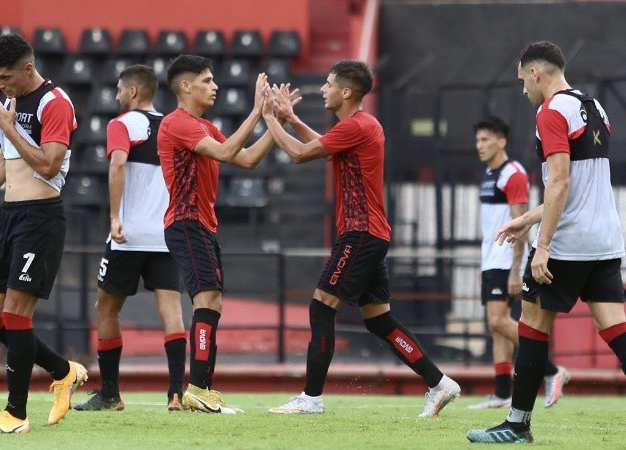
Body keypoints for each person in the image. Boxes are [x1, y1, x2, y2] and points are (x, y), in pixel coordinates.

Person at [262, 60, 460, 418]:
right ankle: (439, 383)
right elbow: (324, 146)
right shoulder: (359, 126)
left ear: (346, 91)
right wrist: (290, 119)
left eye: (328, 84)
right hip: (371, 234)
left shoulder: (357, 125)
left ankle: (311, 398)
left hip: (360, 233)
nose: (323, 90)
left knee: (322, 307)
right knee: (379, 320)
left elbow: (300, 153)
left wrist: (269, 118)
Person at [467, 41, 626, 444]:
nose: (523, 90)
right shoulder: (595, 107)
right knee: (616, 328)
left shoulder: (551, 111)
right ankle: (517, 422)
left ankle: (517, 424)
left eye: (523, 81)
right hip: (606, 240)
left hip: (568, 244)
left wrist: (544, 246)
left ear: (537, 73)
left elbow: (560, 182)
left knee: (532, 327)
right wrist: (527, 218)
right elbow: (579, 187)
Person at [0, 34, 86, 434]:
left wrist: (11, 129)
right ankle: (63, 370)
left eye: (5, 76)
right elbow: (5, 159)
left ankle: (16, 414)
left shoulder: (54, 102)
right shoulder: (8, 102)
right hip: (10, 216)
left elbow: (48, 164)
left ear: (28, 68)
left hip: (40, 219)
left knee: (15, 315)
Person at [158, 55, 276, 413]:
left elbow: (248, 159)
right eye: (207, 81)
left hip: (203, 225)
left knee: (211, 302)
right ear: (185, 86)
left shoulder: (205, 126)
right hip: (186, 222)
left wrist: (275, 122)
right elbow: (226, 153)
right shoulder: (177, 122)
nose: (215, 86)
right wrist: (255, 112)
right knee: (207, 299)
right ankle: (198, 388)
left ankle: (202, 389)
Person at [72, 65, 186, 412]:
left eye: (120, 89)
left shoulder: (121, 124)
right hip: (166, 234)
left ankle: (110, 394)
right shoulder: (172, 125)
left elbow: (118, 165)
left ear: (134, 91)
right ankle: (176, 393)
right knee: (172, 310)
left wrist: (114, 217)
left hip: (129, 235)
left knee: (106, 309)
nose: (117, 95)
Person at [469, 116, 569, 410]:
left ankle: (552, 370)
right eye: (477, 140)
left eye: (485, 140)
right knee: (496, 327)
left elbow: (520, 224)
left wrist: (515, 270)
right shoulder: (490, 173)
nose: (479, 145)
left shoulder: (513, 174)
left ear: (502, 142)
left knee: (497, 321)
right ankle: (502, 392)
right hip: (492, 261)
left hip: (505, 261)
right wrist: (484, 265)